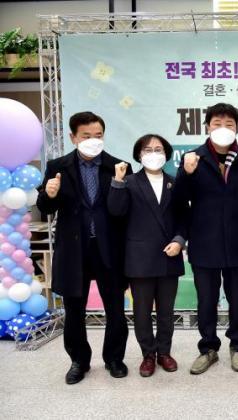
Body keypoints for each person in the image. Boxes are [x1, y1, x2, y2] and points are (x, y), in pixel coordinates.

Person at [36, 111, 132, 384]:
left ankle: (114, 358)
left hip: (109, 249)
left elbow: (123, 210)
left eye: (98, 135)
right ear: (73, 137)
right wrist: (49, 194)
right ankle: (79, 360)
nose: (93, 140)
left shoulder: (118, 166)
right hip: (73, 250)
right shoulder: (58, 166)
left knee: (115, 308)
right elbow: (46, 208)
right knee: (74, 310)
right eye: (86, 136)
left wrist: (119, 184)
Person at [173, 103, 238, 375]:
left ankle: (237, 346)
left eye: (229, 124)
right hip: (204, 242)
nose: (223, 128)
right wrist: (186, 173)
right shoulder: (192, 158)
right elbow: (179, 201)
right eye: (217, 123)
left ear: (237, 128)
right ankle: (208, 348)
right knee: (206, 300)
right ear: (207, 127)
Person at [107, 134, 188, 377]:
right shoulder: (129, 181)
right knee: (142, 313)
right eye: (148, 149)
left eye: (158, 149)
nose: (154, 153)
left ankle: (164, 352)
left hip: (169, 256)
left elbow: (184, 218)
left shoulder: (175, 182)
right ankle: (148, 355)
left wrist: (179, 241)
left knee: (166, 312)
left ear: (166, 154)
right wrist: (117, 181)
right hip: (139, 258)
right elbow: (116, 211)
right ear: (139, 155)